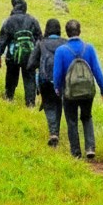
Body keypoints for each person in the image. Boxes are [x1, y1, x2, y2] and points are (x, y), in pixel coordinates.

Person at [53, 19, 103, 159]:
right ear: (80, 31)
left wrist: (57, 89)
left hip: (69, 92)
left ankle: (76, 152)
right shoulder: (88, 48)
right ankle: (90, 148)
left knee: (71, 120)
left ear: (66, 33)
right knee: (87, 117)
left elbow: (57, 74)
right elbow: (97, 70)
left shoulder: (61, 51)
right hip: (88, 91)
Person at [0, 0, 41, 106]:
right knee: (29, 79)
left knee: (11, 76)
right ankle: (30, 103)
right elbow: (39, 38)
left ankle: (9, 97)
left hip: (12, 56)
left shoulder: (8, 21)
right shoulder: (32, 20)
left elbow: (2, 40)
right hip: (30, 56)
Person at [29, 18, 66, 146]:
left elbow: (30, 64)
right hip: (61, 81)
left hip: (44, 80)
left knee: (49, 105)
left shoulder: (41, 43)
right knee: (58, 104)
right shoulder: (65, 43)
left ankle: (53, 132)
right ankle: (56, 132)